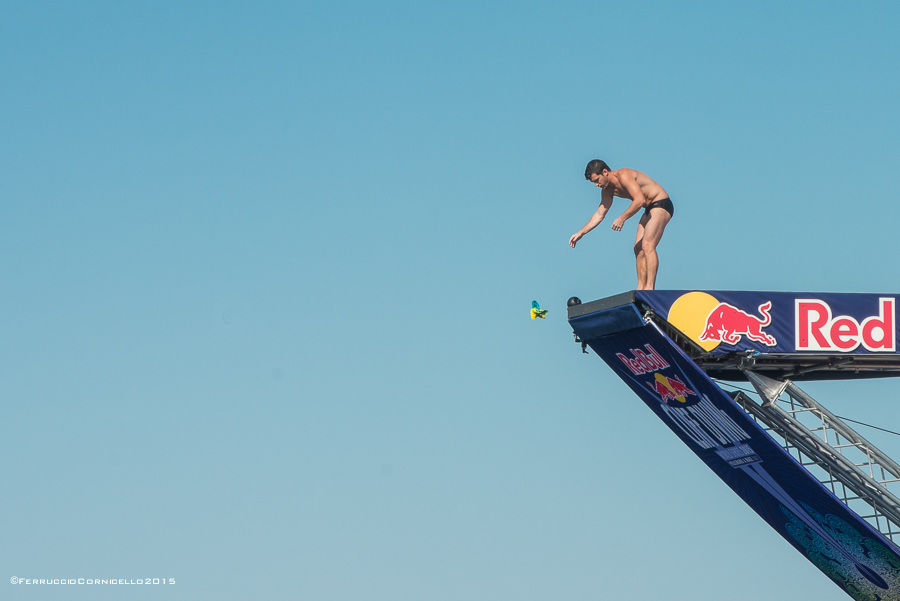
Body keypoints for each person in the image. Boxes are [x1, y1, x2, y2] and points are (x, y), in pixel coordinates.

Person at [569, 159, 674, 290]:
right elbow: (599, 214)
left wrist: (622, 218)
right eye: (593, 182)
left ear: (605, 172)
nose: (596, 185)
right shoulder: (607, 191)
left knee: (648, 245)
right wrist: (581, 232)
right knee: (638, 249)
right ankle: (641, 289)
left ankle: (650, 288)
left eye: (597, 180)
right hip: (649, 208)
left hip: (661, 203)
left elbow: (640, 200)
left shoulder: (624, 175)